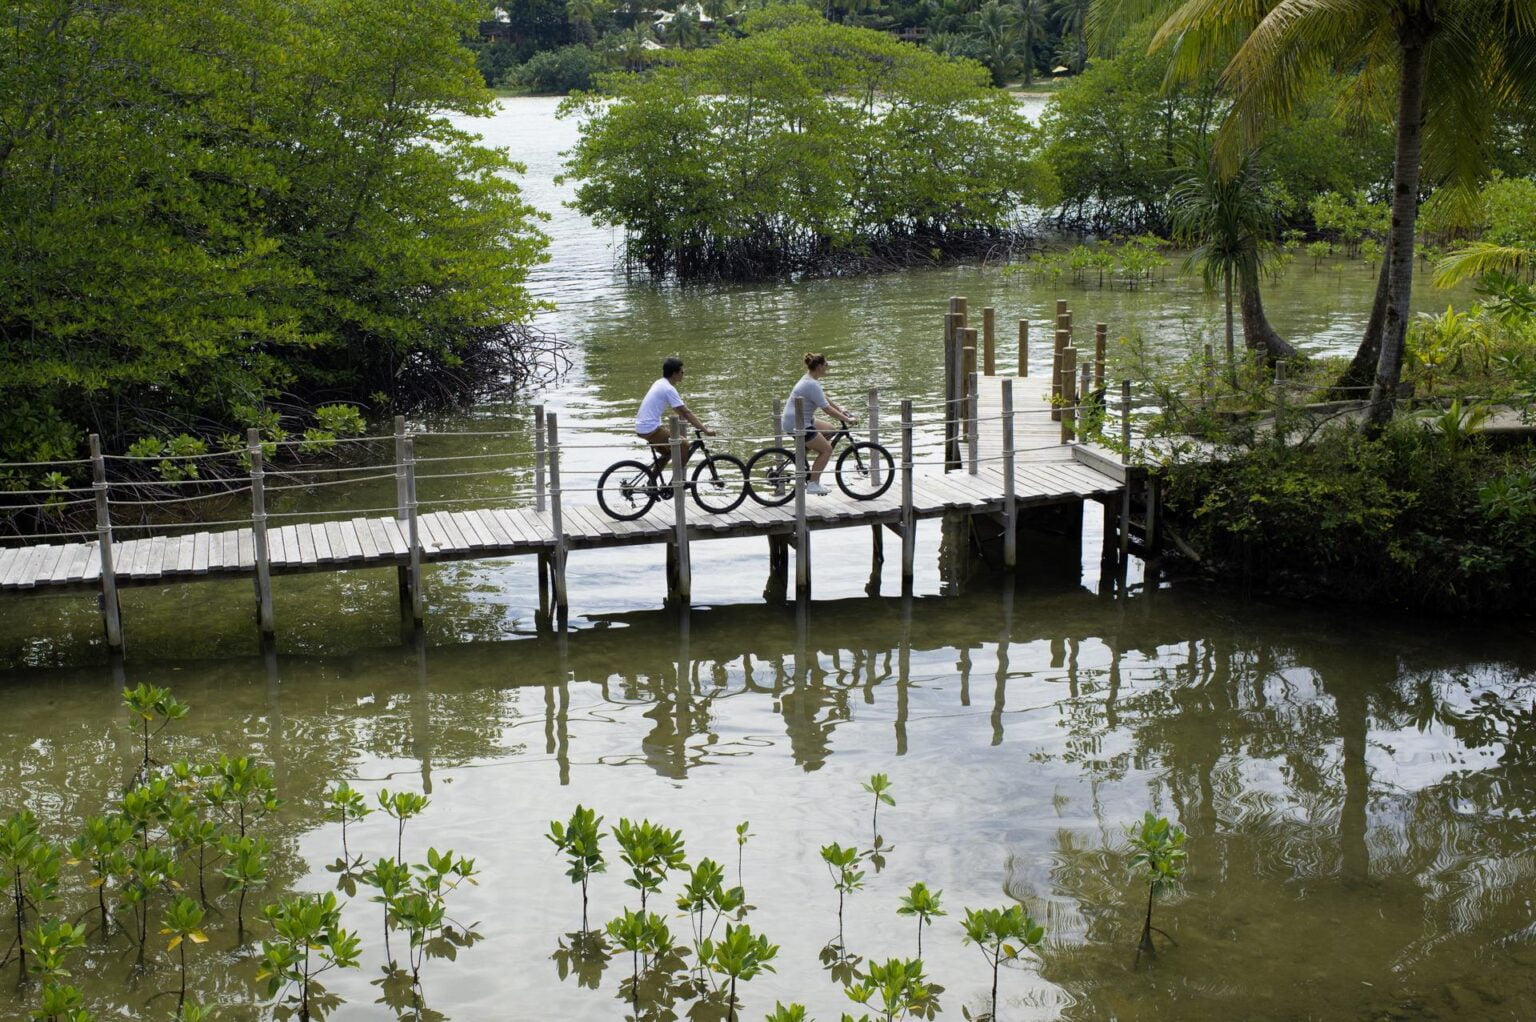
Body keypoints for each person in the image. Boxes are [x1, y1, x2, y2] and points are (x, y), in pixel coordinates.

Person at [780, 352, 856, 495]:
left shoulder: (811, 380)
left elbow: (824, 398)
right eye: (826, 364)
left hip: (800, 419)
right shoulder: (811, 384)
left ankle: (806, 450)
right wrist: (847, 420)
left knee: (831, 430)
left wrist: (841, 409)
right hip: (797, 424)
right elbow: (826, 408)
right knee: (827, 450)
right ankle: (813, 484)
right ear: (819, 366)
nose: (827, 367)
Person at [635, 356, 714, 474]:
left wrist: (693, 421)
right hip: (650, 428)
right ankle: (675, 482)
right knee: (684, 445)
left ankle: (652, 482)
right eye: (682, 372)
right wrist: (705, 430)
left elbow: (679, 409)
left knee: (668, 453)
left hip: (643, 426)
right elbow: (686, 412)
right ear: (674, 374)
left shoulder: (660, 382)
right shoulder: (668, 389)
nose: (683, 374)